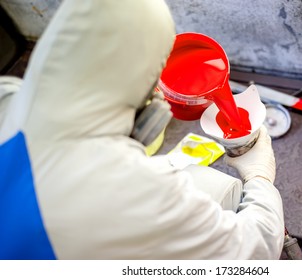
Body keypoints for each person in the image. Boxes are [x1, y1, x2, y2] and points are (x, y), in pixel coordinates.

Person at [0, 0, 284, 259]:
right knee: (219, 189)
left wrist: (117, 132)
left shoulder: (8, 96)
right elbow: (255, 250)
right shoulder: (137, 191)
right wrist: (260, 177)